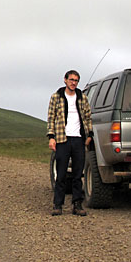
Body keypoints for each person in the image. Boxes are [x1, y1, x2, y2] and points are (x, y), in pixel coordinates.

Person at [47, 70, 94, 216]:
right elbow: (51, 117)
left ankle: (77, 204)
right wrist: (51, 137)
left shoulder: (82, 98)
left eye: (76, 80)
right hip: (62, 138)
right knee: (61, 174)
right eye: (71, 79)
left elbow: (87, 117)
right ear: (65, 80)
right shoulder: (56, 97)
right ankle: (58, 204)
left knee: (77, 173)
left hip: (78, 139)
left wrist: (89, 135)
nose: (74, 83)